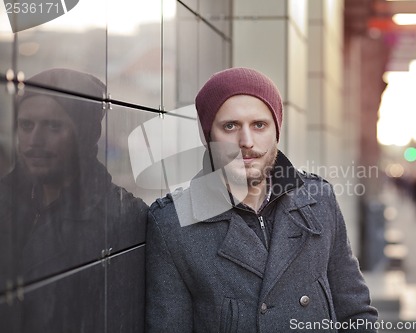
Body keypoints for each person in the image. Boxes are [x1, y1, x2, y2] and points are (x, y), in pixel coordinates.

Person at [146, 67, 378, 332]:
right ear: (208, 136)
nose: (246, 141)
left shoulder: (319, 199)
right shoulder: (173, 223)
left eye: (259, 125)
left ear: (276, 131)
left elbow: (356, 313)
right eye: (230, 126)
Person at [0, 68, 148, 332]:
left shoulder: (122, 216)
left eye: (53, 126)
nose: (34, 141)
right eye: (26, 125)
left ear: (84, 134)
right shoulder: (5, 202)